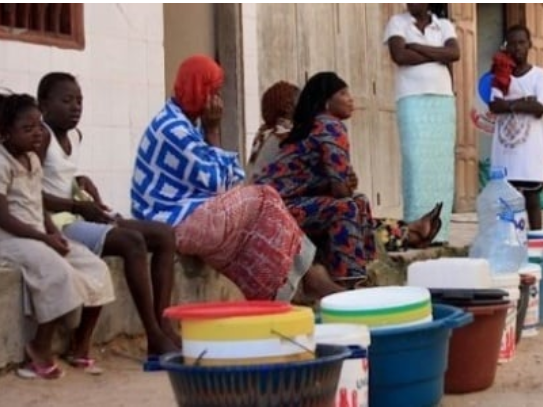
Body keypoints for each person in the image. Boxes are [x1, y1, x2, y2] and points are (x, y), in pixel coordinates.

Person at [131, 55, 343, 302]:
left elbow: (229, 179)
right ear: (199, 89)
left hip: (190, 213)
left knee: (256, 223)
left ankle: (297, 286)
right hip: (171, 224)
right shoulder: (173, 128)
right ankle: (309, 280)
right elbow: (223, 184)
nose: (218, 102)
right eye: (214, 92)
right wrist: (213, 130)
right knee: (264, 197)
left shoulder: (188, 123)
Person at [36, 72, 180, 357]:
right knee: (132, 243)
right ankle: (152, 335)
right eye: (66, 100)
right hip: (60, 224)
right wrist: (76, 206)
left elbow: (60, 175)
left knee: (165, 235)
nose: (75, 107)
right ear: (44, 105)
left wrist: (81, 182)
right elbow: (33, 193)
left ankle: (164, 326)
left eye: (79, 101)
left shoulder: (74, 136)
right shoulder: (41, 138)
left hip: (79, 214)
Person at [0, 81, 115, 379]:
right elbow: (2, 218)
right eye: (28, 129)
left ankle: (80, 346)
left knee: (96, 268)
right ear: (4, 134)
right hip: (11, 241)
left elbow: (36, 204)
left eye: (39, 126)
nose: (38, 133)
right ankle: (39, 349)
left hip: (38, 236)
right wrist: (44, 238)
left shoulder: (31, 160)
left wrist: (54, 233)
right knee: (59, 272)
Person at [248, 80, 443, 253]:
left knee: (355, 207)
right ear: (289, 108)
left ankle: (409, 232)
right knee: (349, 210)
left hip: (275, 205)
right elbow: (327, 180)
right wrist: (340, 179)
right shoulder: (287, 134)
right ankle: (408, 235)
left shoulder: (268, 133)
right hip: (277, 210)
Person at [255, 72, 382, 285]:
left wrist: (344, 184)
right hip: (276, 208)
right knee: (346, 208)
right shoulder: (329, 126)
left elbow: (341, 183)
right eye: (343, 93)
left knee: (359, 202)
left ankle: (362, 273)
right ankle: (348, 282)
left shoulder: (314, 125)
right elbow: (341, 190)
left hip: (279, 203)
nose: (351, 98)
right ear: (327, 102)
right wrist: (344, 184)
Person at [384, 3, 459, 244]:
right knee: (415, 162)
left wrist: (416, 47)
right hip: (411, 98)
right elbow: (399, 55)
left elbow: (454, 54)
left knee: (441, 165)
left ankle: (440, 231)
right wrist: (437, 52)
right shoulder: (397, 22)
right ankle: (415, 230)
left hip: (443, 99)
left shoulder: (444, 25)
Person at [487, 25, 543, 231]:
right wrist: (524, 101)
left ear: (530, 45)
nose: (517, 48)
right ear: (506, 47)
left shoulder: (539, 76)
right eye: (512, 44)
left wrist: (510, 105)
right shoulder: (501, 76)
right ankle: (509, 242)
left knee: (532, 199)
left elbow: (540, 107)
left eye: (522, 42)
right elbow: (494, 105)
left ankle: (536, 241)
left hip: (530, 151)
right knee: (507, 201)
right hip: (506, 152)